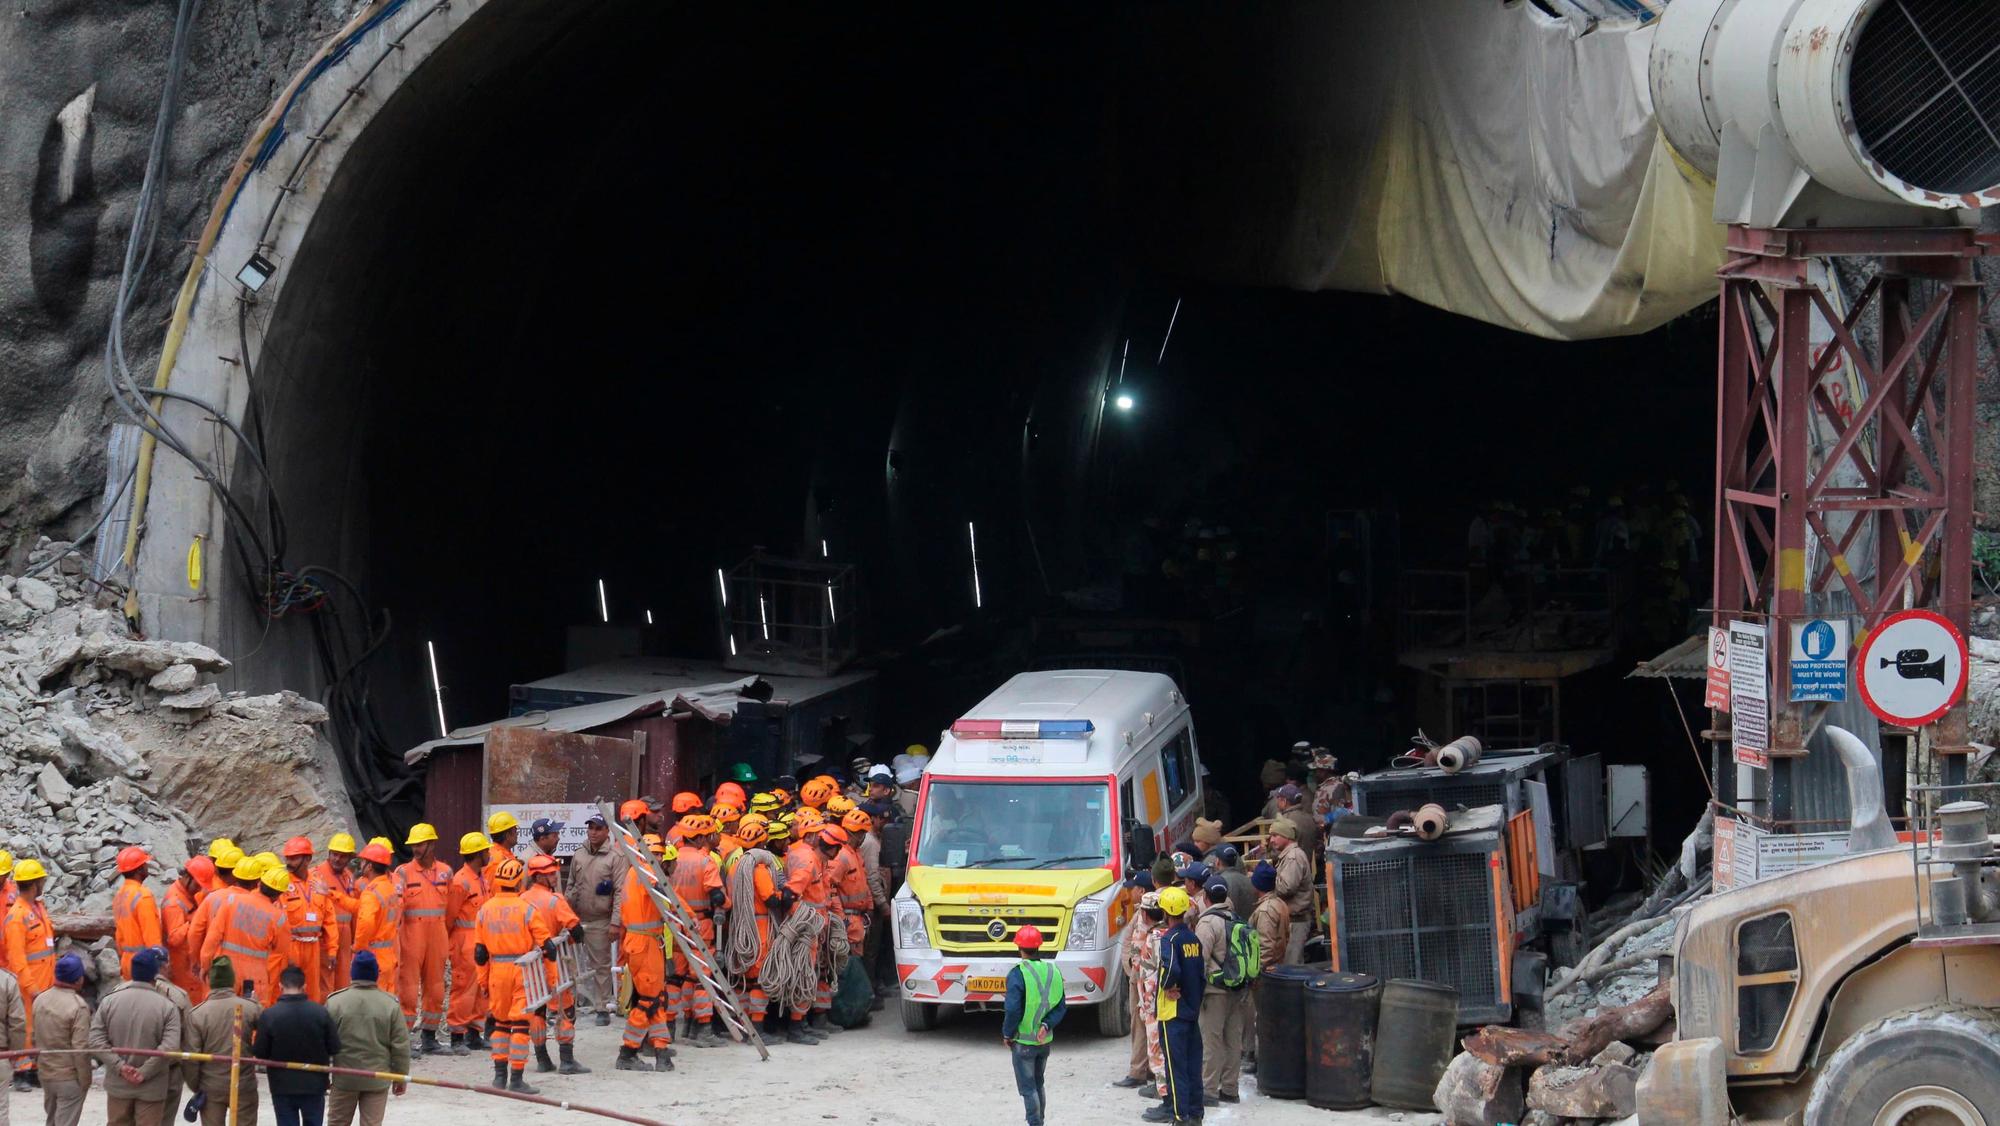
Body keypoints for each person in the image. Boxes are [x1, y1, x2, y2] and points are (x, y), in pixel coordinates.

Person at [474, 858, 554, 1094]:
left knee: (500, 1024)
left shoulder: (484, 910)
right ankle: (516, 1079)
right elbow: (548, 947)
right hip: (522, 971)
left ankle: (499, 1077)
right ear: (520, 882)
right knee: (520, 1025)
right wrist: (551, 980)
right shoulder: (527, 909)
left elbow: (479, 953)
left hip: (496, 972)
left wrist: (483, 982)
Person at [90, 948, 182, 1126]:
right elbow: (170, 1046)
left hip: (118, 1085)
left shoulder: (109, 1001)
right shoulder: (167, 1007)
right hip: (152, 1087)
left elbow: (95, 1040)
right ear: (155, 974)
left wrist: (120, 1067)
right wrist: (144, 1072)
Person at [521, 855, 589, 1074]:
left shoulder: (521, 900)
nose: (554, 876)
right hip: (555, 962)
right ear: (539, 876)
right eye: (550, 873)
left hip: (531, 965)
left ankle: (542, 1059)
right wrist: (568, 938)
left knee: (537, 1012)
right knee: (565, 1010)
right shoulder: (555, 900)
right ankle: (567, 1061)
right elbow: (576, 930)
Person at [325, 952, 409, 1126]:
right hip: (377, 1080)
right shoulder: (390, 1005)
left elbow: (322, 1044)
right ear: (376, 973)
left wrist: (323, 1075)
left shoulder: (335, 1002)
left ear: (352, 972)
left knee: (337, 1123)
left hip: (344, 1079)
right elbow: (400, 1046)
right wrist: (400, 1078)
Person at [615, 836, 675, 1072]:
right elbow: (669, 898)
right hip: (645, 943)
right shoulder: (647, 872)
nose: (661, 858)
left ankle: (661, 1050)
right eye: (658, 853)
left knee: (656, 999)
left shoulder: (634, 872)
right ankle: (628, 1052)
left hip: (643, 941)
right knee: (650, 1000)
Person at [1145, 887, 1204, 1125]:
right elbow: (1201, 975)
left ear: (1166, 911)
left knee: (1175, 1066)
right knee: (1192, 1066)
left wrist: (1168, 985)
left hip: (1173, 1013)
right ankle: (1196, 1113)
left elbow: (1171, 969)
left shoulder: (1169, 939)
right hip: (1191, 1011)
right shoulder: (1193, 939)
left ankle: (1180, 1116)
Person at [668, 814, 727, 1047]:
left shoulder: (671, 858)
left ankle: (672, 1027)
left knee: (676, 977)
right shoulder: (706, 861)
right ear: (701, 837)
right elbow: (716, 895)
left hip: (673, 924)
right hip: (700, 923)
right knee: (703, 976)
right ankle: (703, 1028)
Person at [255, 966, 340, 1126]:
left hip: (282, 1086)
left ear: (280, 987)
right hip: (315, 1085)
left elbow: (260, 1052)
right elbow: (334, 1047)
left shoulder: (270, 1015)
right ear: (304, 987)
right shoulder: (320, 1013)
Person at [183, 956, 262, 1126]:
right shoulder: (250, 1008)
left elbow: (191, 1058)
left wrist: (197, 1086)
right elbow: (267, 1032)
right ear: (232, 981)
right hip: (244, 1084)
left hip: (211, 1086)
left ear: (211, 982)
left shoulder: (198, 1014)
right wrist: (257, 1004)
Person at [1001, 925, 1067, 1126]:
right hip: (1043, 1040)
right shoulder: (1053, 970)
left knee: (1028, 1088)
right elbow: (1061, 1006)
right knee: (1039, 1084)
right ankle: (1041, 1121)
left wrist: (1007, 1034)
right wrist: (1046, 1024)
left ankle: (1034, 1123)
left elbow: (1013, 1010)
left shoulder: (1017, 973)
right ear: (1039, 946)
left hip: (1023, 1042)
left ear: (1019, 947)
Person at [394, 824, 451, 1052]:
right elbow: (397, 906)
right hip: (411, 935)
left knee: (436, 987)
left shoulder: (446, 872)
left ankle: (429, 1037)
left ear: (432, 845)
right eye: (413, 845)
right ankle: (404, 1039)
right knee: (407, 987)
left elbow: (452, 908)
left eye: (420, 844)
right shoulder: (402, 872)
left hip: (438, 934)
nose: (416, 849)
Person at [200, 861, 289, 1005]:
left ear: (260, 883)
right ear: (279, 894)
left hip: (227, 972)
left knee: (227, 1013)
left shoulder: (232, 901)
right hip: (255, 977)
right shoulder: (279, 918)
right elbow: (282, 952)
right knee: (248, 1017)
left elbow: (213, 937)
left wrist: (205, 965)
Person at [1194, 883, 1248, 1106]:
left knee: (1211, 1040)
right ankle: (1230, 1088)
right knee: (1233, 1039)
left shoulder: (1207, 922)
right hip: (1237, 988)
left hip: (1214, 991)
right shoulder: (1237, 919)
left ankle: (1209, 1090)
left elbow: (1200, 960)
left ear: (1205, 897)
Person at [564, 813, 619, 1027]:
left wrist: (615, 922)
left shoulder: (615, 858)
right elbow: (570, 884)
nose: (593, 832)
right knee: (569, 965)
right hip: (576, 919)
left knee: (601, 966)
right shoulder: (579, 855)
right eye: (591, 828)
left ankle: (602, 1007)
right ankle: (571, 1004)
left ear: (607, 832)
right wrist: (566, 915)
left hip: (600, 919)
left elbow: (621, 892)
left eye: (598, 828)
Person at [4, 858, 54, 1093]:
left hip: (46, 980)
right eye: (41, 880)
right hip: (29, 984)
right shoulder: (17, 916)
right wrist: (31, 986)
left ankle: (33, 1068)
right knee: (25, 1027)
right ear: (34, 884)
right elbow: (17, 958)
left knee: (39, 1028)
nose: (44, 883)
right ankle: (21, 1071)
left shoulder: (38, 907)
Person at [445, 832, 491, 1056]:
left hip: (480, 939)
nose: (489, 854)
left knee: (481, 989)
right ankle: (457, 1036)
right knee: (463, 989)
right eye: (486, 851)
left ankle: (474, 1033)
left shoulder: (481, 878)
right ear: (477, 854)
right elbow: (450, 915)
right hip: (464, 941)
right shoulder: (461, 881)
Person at [1111, 876, 1157, 1092]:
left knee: (1140, 1025)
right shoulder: (1143, 912)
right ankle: (1146, 1067)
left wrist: (1134, 973)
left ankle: (1139, 1071)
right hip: (1140, 977)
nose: (1128, 894)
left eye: (1132, 889)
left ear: (1140, 890)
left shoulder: (1144, 915)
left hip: (1142, 979)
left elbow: (1137, 948)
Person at [34, 953, 89, 1126]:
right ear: (78, 979)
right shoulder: (78, 1006)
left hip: (46, 1073)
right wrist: (85, 1080)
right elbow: (80, 1049)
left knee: (51, 1120)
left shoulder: (40, 999)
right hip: (68, 1077)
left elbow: (35, 1037)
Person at [279, 839, 335, 1003]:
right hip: (292, 946)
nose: (289, 862)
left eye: (294, 858)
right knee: (289, 991)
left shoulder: (317, 881)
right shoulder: (283, 883)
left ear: (307, 859)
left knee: (312, 992)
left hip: (314, 946)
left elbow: (329, 918)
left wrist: (332, 950)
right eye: (287, 858)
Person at [350, 843, 402, 1011]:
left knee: (371, 1006)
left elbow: (366, 922)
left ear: (370, 866)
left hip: (374, 957)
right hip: (388, 954)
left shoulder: (371, 892)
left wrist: (358, 947)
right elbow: (360, 907)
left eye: (363, 861)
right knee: (387, 1003)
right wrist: (333, 895)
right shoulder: (388, 888)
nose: (361, 865)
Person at [161, 859, 215, 1003]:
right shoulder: (174, 903)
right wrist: (195, 922)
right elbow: (174, 938)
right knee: (190, 1005)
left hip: (190, 963)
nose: (199, 889)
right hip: (181, 966)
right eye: (197, 884)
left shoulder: (187, 895)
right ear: (187, 877)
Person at [313, 835, 362, 994]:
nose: (337, 859)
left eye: (342, 856)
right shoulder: (316, 875)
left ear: (349, 857)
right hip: (326, 936)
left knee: (343, 981)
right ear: (329, 853)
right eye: (334, 854)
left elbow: (353, 909)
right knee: (324, 982)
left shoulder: (348, 876)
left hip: (345, 935)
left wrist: (356, 938)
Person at [1267, 821, 1314, 964]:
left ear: (1286, 836)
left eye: (1275, 835)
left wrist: (1268, 880)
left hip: (1296, 920)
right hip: (1292, 920)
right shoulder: (1289, 855)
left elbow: (1286, 888)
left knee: (1292, 965)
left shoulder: (1293, 857)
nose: (1271, 840)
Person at [113, 848, 162, 981]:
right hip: (144, 964)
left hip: (127, 961)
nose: (147, 867)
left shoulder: (120, 895)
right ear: (139, 869)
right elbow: (151, 936)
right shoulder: (143, 896)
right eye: (145, 864)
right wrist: (160, 963)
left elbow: (119, 936)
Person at [1212, 847, 1256, 923]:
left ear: (1217, 861)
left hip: (1232, 929)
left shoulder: (1219, 883)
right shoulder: (1248, 880)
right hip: (1248, 929)